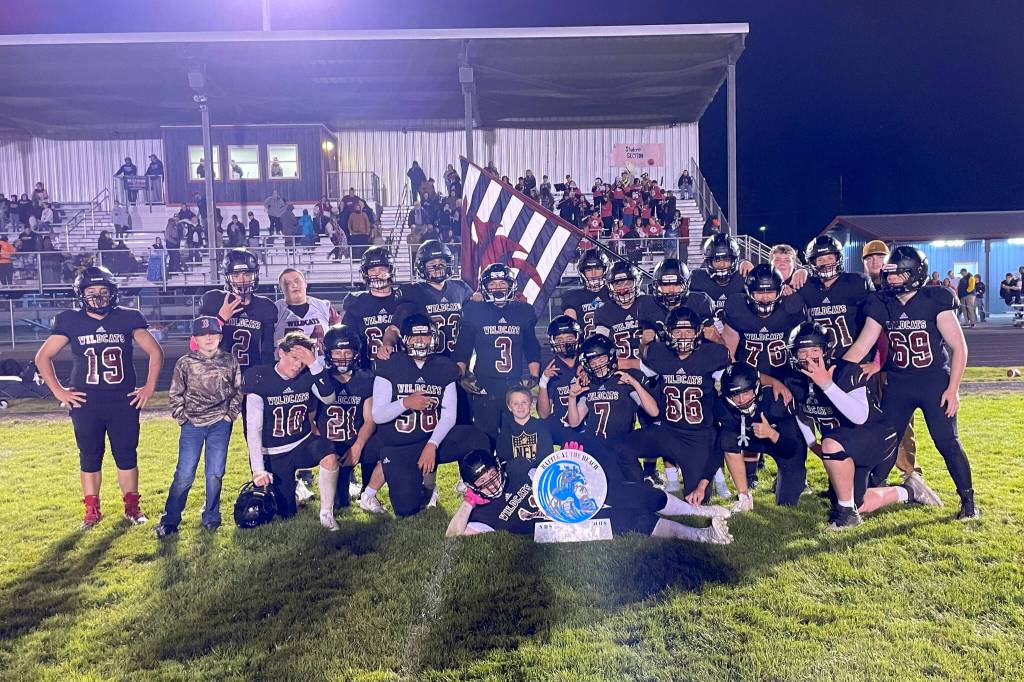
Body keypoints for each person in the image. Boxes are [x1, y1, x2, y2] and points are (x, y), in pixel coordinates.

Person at [843, 246, 979, 520]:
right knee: (885, 440)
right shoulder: (882, 303)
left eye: (899, 274)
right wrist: (836, 372)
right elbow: (863, 345)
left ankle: (968, 502)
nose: (892, 280)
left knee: (947, 442)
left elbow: (959, 348)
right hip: (899, 384)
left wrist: (953, 390)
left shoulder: (935, 299)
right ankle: (871, 491)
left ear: (916, 274)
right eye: (889, 274)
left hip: (934, 384)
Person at [34, 266, 164, 529]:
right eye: (91, 292)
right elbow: (42, 357)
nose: (97, 297)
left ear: (112, 293)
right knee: (90, 456)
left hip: (122, 400)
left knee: (126, 455)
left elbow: (155, 352)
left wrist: (149, 387)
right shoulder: (70, 320)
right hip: (86, 402)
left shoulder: (128, 317)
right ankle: (92, 510)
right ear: (81, 294)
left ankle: (131, 507)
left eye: (103, 292)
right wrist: (59, 391)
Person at [784, 322, 942, 530]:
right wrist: (813, 444)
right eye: (802, 351)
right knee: (860, 502)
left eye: (815, 350)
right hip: (847, 443)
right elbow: (801, 413)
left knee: (831, 445)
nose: (808, 357)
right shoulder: (794, 379)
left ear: (826, 351)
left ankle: (847, 516)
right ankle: (909, 491)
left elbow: (859, 416)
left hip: (876, 436)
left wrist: (826, 384)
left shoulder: (846, 371)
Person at [446, 449, 733, 543]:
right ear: (472, 486)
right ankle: (702, 536)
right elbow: (453, 535)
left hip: (571, 501)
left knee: (634, 493)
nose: (492, 484)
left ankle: (701, 513)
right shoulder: (481, 514)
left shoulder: (518, 467)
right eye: (482, 483)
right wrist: (467, 504)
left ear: (498, 466)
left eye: (493, 475)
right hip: (561, 529)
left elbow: (553, 475)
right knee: (631, 519)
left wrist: (573, 462)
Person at [371, 314, 491, 515]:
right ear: (405, 339)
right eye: (415, 337)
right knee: (406, 509)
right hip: (402, 445)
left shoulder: (443, 366)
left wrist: (432, 444)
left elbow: (449, 415)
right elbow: (378, 415)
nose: (420, 341)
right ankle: (424, 484)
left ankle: (476, 489)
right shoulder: (390, 365)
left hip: (431, 438)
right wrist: (406, 402)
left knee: (476, 437)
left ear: (434, 338)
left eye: (425, 336)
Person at [620, 307, 731, 499]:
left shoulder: (712, 355)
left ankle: (714, 481)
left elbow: (734, 375)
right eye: (677, 332)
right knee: (622, 450)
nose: (683, 337)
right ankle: (640, 493)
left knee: (697, 500)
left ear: (698, 332)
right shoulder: (658, 353)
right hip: (667, 431)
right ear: (668, 333)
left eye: (688, 331)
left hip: (698, 438)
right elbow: (639, 366)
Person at [243, 332, 342, 530]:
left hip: (302, 443)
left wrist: (313, 364)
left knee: (328, 453)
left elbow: (329, 398)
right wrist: (258, 469)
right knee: (286, 513)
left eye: (303, 361)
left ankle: (326, 513)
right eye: (295, 358)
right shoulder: (260, 376)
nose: (298, 365)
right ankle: (296, 491)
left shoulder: (307, 374)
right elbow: (254, 428)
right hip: (273, 453)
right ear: (281, 353)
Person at [155, 316, 242, 538]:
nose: (209, 338)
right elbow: (175, 393)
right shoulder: (185, 363)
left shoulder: (230, 361)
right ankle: (170, 519)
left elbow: (238, 391)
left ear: (220, 336)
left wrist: (229, 416)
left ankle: (211, 515)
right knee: (184, 473)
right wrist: (182, 417)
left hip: (219, 424)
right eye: (203, 334)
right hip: (192, 424)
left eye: (213, 333)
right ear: (195, 338)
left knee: (214, 472)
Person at [453, 263, 541, 448]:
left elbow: (531, 345)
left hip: (513, 382)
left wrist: (534, 374)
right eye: (492, 284)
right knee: (486, 436)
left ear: (511, 286)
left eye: (502, 282)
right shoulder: (474, 310)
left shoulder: (522, 311)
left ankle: (516, 473)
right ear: (484, 287)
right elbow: (464, 346)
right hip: (485, 383)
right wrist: (462, 373)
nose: (498, 288)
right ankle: (488, 475)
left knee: (516, 434)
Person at [717, 362, 807, 512]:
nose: (741, 400)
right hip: (749, 439)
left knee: (786, 504)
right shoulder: (722, 406)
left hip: (780, 443)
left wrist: (771, 433)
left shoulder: (776, 400)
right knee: (727, 439)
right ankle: (744, 497)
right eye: (735, 394)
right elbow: (722, 445)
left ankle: (784, 478)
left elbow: (792, 449)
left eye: (746, 392)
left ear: (757, 388)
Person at [316, 325, 380, 512]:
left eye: (347, 351)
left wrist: (358, 447)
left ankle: (368, 492)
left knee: (382, 447)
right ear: (328, 353)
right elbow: (311, 420)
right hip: (330, 443)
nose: (342, 357)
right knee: (339, 503)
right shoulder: (321, 379)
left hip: (355, 438)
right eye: (337, 352)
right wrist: (324, 449)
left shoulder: (365, 378)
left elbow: (370, 419)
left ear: (356, 353)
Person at [198, 249, 278, 373]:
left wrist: (264, 378)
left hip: (252, 376)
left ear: (254, 275)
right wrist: (220, 319)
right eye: (236, 275)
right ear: (227, 277)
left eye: (246, 274)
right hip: (218, 376)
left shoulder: (265, 307)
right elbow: (196, 345)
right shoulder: (214, 301)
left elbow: (267, 352)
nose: (242, 280)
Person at [799, 235, 873, 358]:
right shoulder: (807, 286)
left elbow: (876, 323)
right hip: (821, 361)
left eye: (830, 258)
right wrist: (798, 273)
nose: (826, 263)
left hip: (855, 358)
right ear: (812, 262)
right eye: (820, 259)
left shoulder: (858, 282)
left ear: (838, 258)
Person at [592, 260, 665, 371]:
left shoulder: (650, 303)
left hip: (652, 369)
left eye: (628, 283)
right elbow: (601, 349)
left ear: (637, 282)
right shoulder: (604, 311)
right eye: (618, 284)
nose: (623, 288)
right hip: (619, 371)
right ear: (610, 286)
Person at [341, 246, 405, 365]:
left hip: (401, 369)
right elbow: (348, 342)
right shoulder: (355, 303)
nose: (377, 274)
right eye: (372, 270)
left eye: (382, 269)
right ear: (365, 273)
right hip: (368, 369)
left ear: (391, 270)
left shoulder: (403, 298)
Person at [496, 386, 554, 465]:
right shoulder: (505, 433)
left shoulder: (541, 427)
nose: (520, 406)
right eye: (515, 403)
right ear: (509, 407)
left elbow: (547, 457)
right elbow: (504, 461)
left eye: (524, 402)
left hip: (538, 474)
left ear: (530, 403)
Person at [561, 249, 611, 338]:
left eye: (598, 268)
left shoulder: (613, 293)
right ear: (582, 272)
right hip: (584, 347)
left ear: (605, 270)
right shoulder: (573, 296)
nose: (594, 273)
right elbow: (570, 329)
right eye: (589, 269)